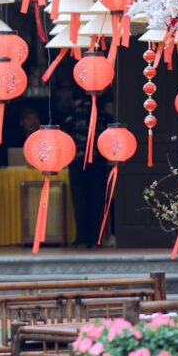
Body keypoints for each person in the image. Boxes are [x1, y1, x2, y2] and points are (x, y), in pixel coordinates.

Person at [62, 94, 112, 247]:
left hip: (77, 162)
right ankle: (96, 238)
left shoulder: (71, 116)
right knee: (97, 201)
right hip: (97, 162)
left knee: (79, 201)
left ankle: (82, 238)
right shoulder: (104, 117)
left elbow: (64, 138)